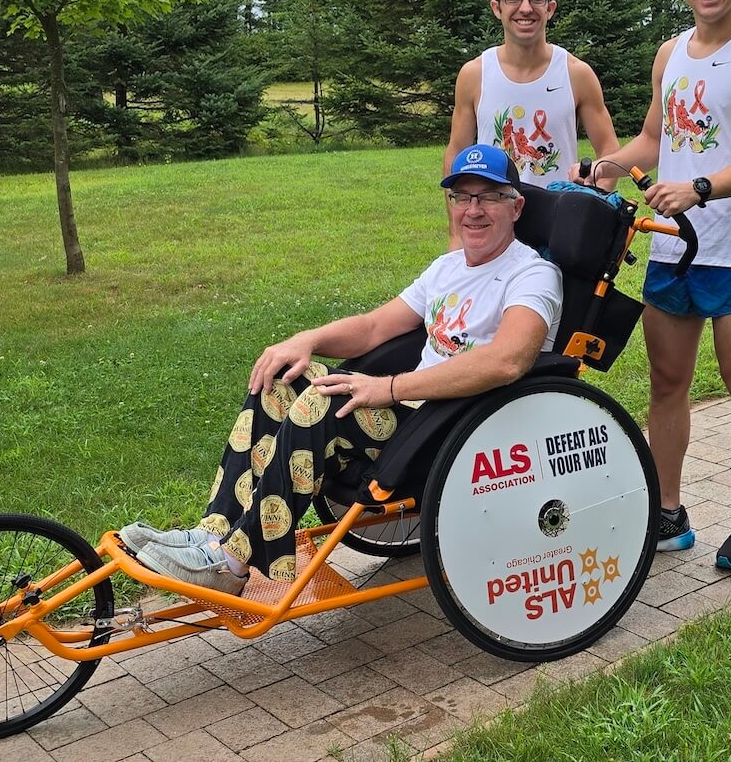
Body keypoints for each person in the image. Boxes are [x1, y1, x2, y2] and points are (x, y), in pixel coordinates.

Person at [122, 144, 562, 594]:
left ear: (516, 205)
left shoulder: (531, 275)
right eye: (461, 197)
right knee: (281, 378)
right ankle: (214, 533)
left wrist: (389, 387)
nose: (472, 210)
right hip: (412, 410)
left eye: (488, 196)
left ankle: (232, 566)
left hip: (464, 425)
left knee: (320, 400)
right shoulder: (447, 268)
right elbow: (373, 327)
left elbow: (508, 360)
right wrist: (305, 341)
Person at [587, 0, 731, 572]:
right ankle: (669, 513)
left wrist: (699, 186)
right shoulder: (670, 54)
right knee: (668, 381)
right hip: (673, 249)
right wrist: (610, 165)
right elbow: (655, 138)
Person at [444, 0, 620, 247]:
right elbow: (456, 155)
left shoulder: (576, 74)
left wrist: (589, 211)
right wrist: (456, 233)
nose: (525, 8)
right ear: (496, 7)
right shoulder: (474, 74)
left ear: (550, 7)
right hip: (491, 230)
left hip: (557, 231)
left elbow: (610, 150)